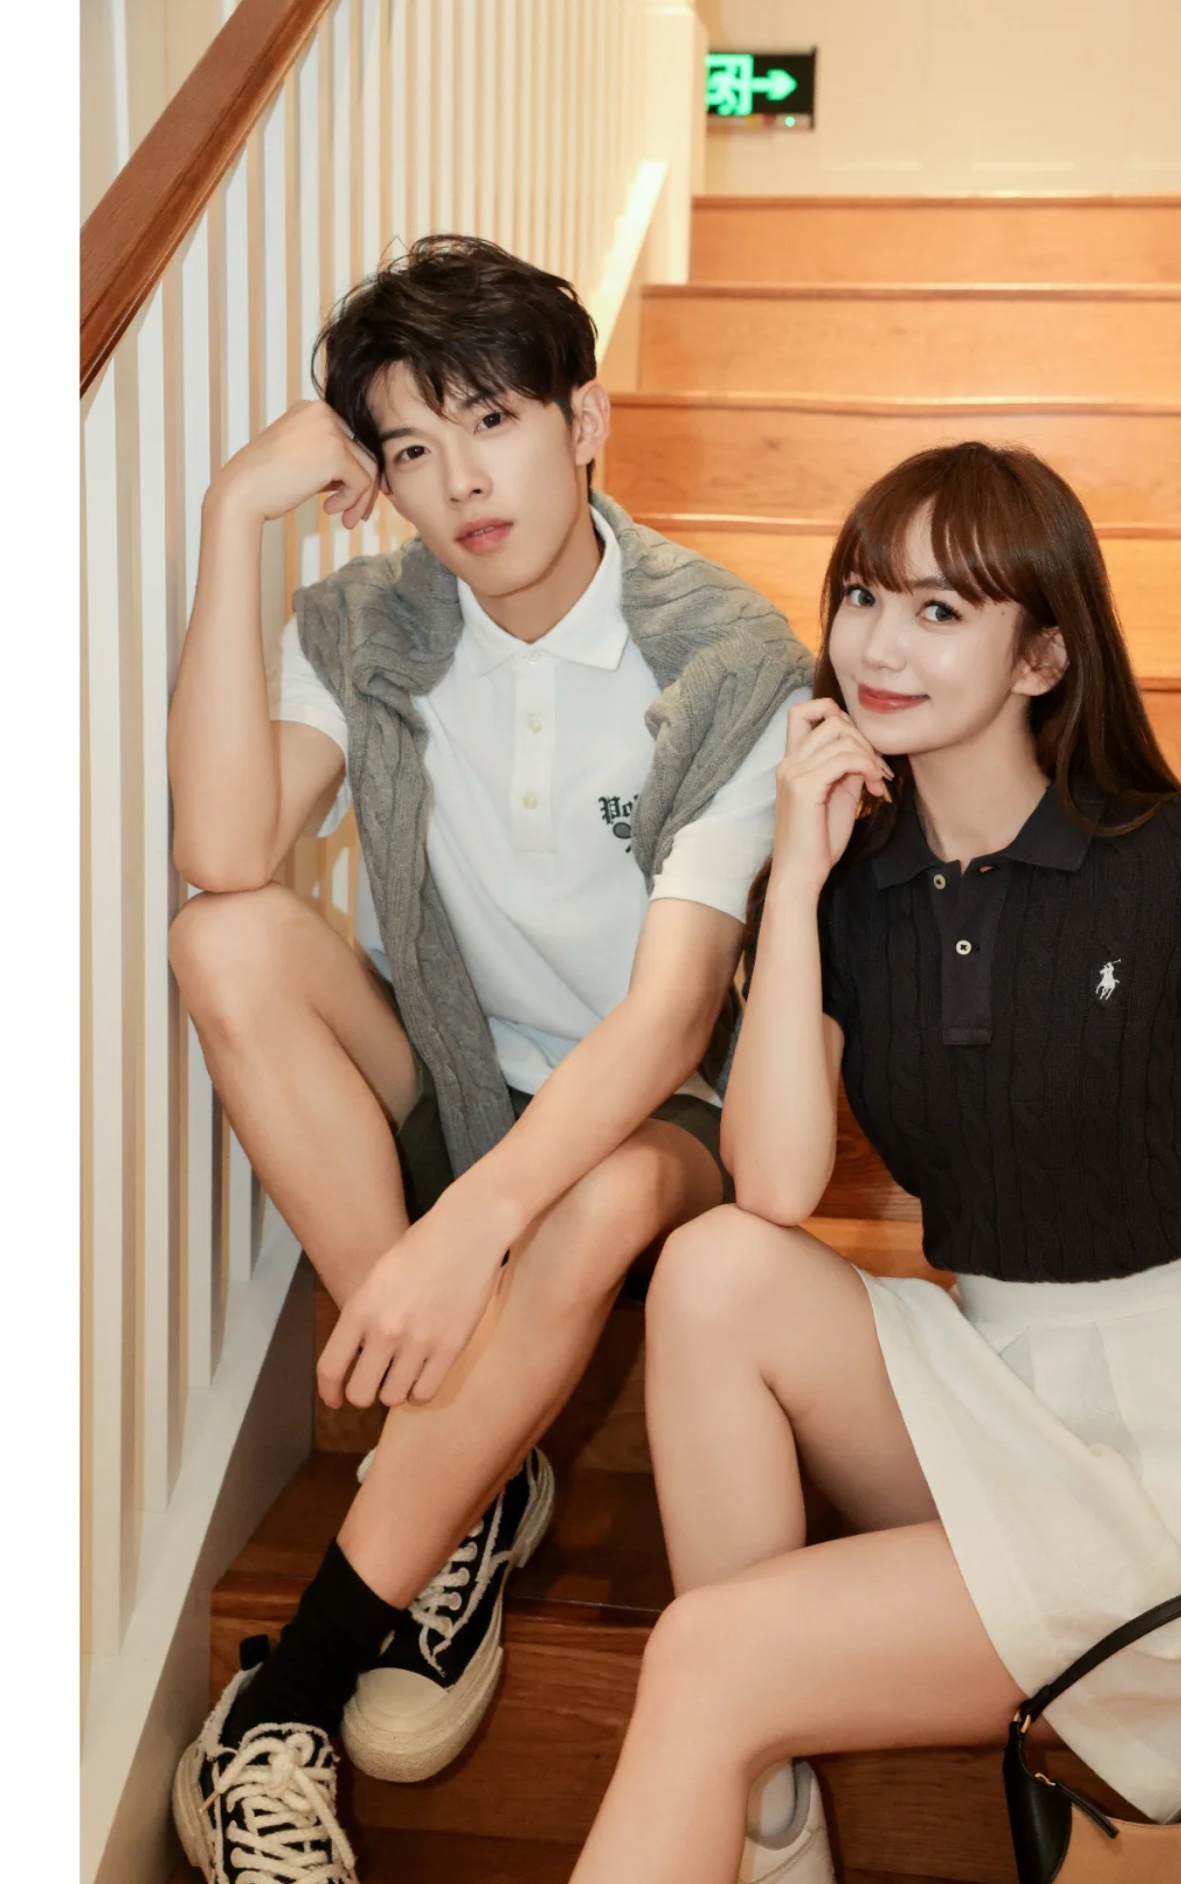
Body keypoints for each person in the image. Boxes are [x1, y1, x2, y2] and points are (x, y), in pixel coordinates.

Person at [566, 442, 1181, 1884]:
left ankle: (755, 1789)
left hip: (1179, 1441)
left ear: (1043, 656)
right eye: (863, 596)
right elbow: (774, 1187)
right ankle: (762, 1788)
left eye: (940, 611)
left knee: (708, 1655)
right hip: (994, 1388)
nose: (879, 644)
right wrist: (796, 877)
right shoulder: (852, 894)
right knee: (715, 1265)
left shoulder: (1180, 861)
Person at [167, 235, 813, 1884]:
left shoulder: (724, 654)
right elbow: (224, 853)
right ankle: (476, 1465)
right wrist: (230, 519)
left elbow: (674, 1017)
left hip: (657, 1109)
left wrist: (465, 1232)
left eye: (493, 420)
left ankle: (286, 1699)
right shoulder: (369, 623)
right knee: (223, 940)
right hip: (455, 1075)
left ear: (583, 420)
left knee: (590, 1207)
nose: (458, 482)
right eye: (408, 448)